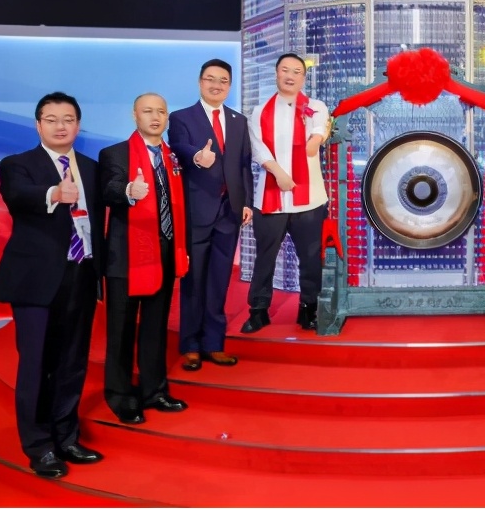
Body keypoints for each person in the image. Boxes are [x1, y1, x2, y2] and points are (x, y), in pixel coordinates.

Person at [0, 92, 105, 480]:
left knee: (72, 362)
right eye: (51, 119)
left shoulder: (91, 168)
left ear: (78, 125)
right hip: (36, 280)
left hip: (82, 273)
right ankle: (39, 446)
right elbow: (17, 195)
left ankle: (66, 436)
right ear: (38, 125)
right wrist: (54, 193)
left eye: (68, 119)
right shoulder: (17, 165)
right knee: (36, 364)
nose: (60, 126)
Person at [99, 93, 190, 425]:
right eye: (147, 111)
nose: (155, 117)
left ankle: (155, 391)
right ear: (134, 115)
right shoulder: (115, 153)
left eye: (161, 111)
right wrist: (128, 191)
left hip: (164, 254)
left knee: (155, 328)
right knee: (121, 330)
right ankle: (121, 395)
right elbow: (107, 189)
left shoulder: (172, 156)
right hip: (127, 257)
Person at [168, 59, 253, 372]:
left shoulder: (238, 120)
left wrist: (246, 202)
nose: (216, 85)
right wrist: (195, 155)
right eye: (210, 79)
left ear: (229, 85)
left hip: (229, 212)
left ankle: (214, 343)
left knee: (219, 280)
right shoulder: (181, 117)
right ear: (200, 82)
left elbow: (244, 165)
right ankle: (191, 345)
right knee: (194, 280)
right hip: (197, 209)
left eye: (223, 81)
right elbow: (177, 146)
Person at [242, 53, 330, 334]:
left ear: (303, 78)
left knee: (311, 258)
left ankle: (309, 308)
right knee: (265, 257)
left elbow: (319, 131)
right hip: (271, 196)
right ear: (276, 74)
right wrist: (278, 173)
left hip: (309, 198)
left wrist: (316, 138)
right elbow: (258, 148)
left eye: (296, 71)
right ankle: (258, 310)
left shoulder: (315, 106)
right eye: (285, 70)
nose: (290, 76)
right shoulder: (260, 111)